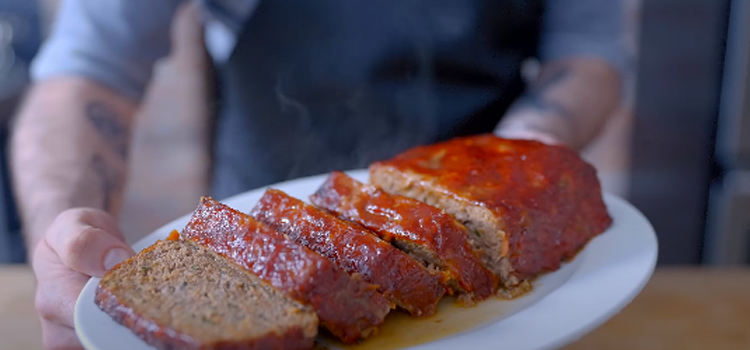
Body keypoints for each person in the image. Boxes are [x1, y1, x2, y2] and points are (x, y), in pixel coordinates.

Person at [11, 0, 624, 348]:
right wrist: (63, 232)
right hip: (265, 194)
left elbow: (589, 53)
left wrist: (528, 164)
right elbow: (88, 71)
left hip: (495, 174)